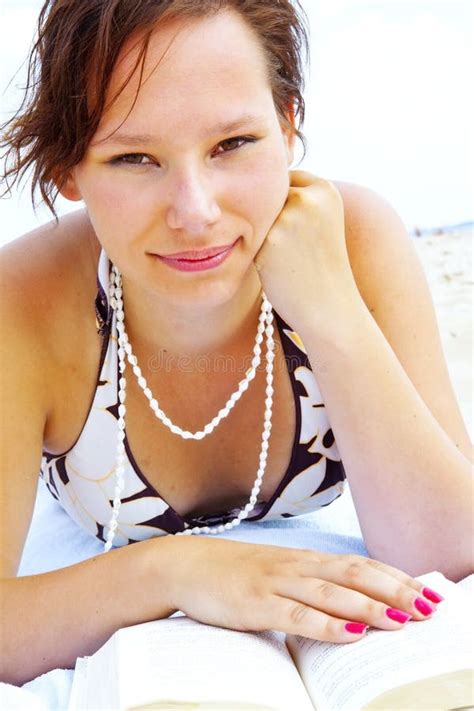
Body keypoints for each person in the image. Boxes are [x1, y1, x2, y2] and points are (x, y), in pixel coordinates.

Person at [0, 0, 472, 687]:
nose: (195, 211)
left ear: (288, 125)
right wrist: (176, 572)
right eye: (135, 157)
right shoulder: (27, 300)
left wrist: (331, 309)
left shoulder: (357, 239)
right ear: (72, 168)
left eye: (233, 145)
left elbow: (451, 551)